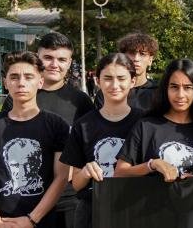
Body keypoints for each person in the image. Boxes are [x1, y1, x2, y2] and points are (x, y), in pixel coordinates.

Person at [1, 32, 95, 228]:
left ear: (69, 63)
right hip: (24, 198)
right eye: (48, 58)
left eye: (61, 59)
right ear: (38, 58)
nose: (54, 64)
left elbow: (89, 148)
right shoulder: (16, 98)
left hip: (68, 200)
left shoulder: (80, 101)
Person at [0, 52, 70, 228]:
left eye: (28, 77)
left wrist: (32, 219)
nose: (21, 83)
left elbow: (61, 177)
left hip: (44, 221)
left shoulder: (57, 125)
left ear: (40, 81)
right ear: (6, 83)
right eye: (14, 77)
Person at [60, 53, 142, 228]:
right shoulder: (83, 125)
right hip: (93, 212)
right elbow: (75, 183)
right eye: (107, 78)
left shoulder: (144, 123)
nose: (114, 85)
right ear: (97, 80)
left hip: (135, 210)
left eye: (121, 78)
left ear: (132, 81)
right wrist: (85, 172)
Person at [115, 59, 193, 182]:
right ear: (165, 89)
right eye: (174, 87)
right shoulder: (146, 126)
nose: (180, 94)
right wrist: (151, 165)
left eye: (187, 87)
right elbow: (119, 173)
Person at [96, 33, 160, 112]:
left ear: (150, 60)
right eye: (132, 52)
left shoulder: (159, 93)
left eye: (142, 54)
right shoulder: (107, 92)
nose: (136, 58)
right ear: (123, 57)